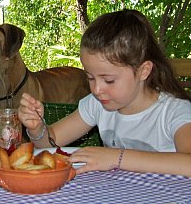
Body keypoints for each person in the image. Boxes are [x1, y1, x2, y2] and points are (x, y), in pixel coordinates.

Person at [18, 9, 191, 177]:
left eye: (109, 80)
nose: (97, 89)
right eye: (90, 78)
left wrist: (117, 157)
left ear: (143, 71)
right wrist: (37, 129)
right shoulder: (97, 104)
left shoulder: (174, 112)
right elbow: (50, 141)